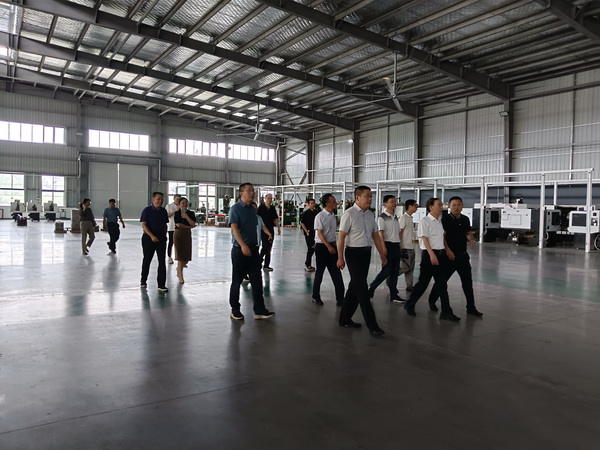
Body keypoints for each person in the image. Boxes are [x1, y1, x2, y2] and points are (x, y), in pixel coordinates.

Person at [337, 186, 387, 337]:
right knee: (362, 289)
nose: (370, 199)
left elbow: (375, 235)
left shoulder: (370, 214)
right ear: (357, 197)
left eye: (371, 196)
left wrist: (382, 255)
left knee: (354, 287)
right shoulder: (349, 214)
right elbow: (341, 237)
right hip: (353, 254)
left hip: (366, 253)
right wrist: (340, 257)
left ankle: (344, 319)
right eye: (367, 196)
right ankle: (373, 326)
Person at [403, 198, 460, 322]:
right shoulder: (425, 221)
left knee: (442, 284)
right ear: (431, 207)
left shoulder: (439, 221)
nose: (441, 207)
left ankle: (446, 312)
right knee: (423, 283)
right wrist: (431, 255)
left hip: (441, 254)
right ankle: (409, 304)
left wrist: (447, 250)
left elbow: (442, 238)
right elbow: (424, 239)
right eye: (439, 205)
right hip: (430, 255)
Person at [428, 196, 483, 317]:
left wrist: (470, 238)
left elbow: (467, 232)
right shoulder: (445, 220)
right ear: (449, 207)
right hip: (449, 257)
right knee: (442, 282)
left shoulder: (465, 219)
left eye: (459, 205)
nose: (456, 207)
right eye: (454, 205)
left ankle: (471, 307)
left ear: (462, 206)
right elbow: (442, 237)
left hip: (463, 256)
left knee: (467, 283)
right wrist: (448, 251)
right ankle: (432, 300)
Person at [228, 183, 275, 320]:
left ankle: (259, 310)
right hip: (240, 250)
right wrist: (243, 245)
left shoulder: (253, 210)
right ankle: (235, 309)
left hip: (254, 250)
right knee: (237, 281)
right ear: (241, 193)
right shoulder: (235, 209)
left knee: (257, 281)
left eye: (253, 190)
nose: (252, 193)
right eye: (249, 190)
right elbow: (234, 228)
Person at [368, 195, 405, 303]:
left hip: (396, 245)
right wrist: (383, 247)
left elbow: (397, 232)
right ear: (385, 203)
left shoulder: (396, 217)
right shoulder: (382, 217)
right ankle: (372, 287)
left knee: (395, 271)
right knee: (386, 271)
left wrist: (399, 245)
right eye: (391, 202)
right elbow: (381, 233)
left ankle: (393, 295)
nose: (394, 204)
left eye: (395, 202)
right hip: (388, 245)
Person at [312, 194, 345, 306]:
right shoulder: (320, 216)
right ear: (327, 204)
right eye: (333, 201)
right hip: (322, 247)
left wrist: (336, 248)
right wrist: (328, 246)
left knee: (336, 273)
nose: (335, 203)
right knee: (320, 273)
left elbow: (332, 234)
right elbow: (320, 234)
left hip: (332, 246)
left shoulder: (333, 216)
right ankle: (315, 296)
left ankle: (340, 298)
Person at [140, 192, 169, 293]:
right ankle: (143, 280)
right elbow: (144, 224)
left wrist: (164, 235)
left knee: (162, 261)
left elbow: (165, 224)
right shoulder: (147, 210)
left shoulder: (163, 211)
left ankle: (161, 284)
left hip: (161, 239)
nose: (160, 201)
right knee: (147, 259)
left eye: (162, 199)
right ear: (153, 199)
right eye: (158, 199)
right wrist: (152, 236)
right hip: (148, 238)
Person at [243, 202, 273, 283]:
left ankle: (252, 275)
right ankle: (244, 275)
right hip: (248, 243)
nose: (254, 209)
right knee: (247, 260)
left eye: (255, 208)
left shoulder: (259, 218)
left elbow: (263, 227)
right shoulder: (246, 218)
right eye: (253, 208)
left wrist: (269, 234)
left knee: (254, 261)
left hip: (257, 243)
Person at [173, 197, 196, 284]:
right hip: (178, 234)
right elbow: (178, 225)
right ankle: (180, 274)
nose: (184, 205)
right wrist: (190, 226)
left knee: (186, 256)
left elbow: (193, 223)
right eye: (182, 203)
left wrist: (187, 217)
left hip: (187, 234)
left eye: (186, 203)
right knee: (180, 255)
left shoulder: (191, 213)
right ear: (179, 205)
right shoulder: (177, 213)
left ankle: (179, 268)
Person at [399, 199, 418, 293]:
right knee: (405, 267)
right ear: (410, 206)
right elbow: (400, 232)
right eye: (415, 206)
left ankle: (409, 285)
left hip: (411, 246)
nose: (416, 207)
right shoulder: (403, 218)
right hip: (405, 247)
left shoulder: (410, 218)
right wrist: (400, 245)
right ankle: (391, 277)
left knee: (410, 267)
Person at [257, 193, 280, 271]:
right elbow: (257, 218)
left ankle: (266, 265)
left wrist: (278, 228)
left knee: (269, 248)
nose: (269, 200)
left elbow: (275, 219)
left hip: (270, 229)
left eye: (271, 198)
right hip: (263, 229)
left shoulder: (272, 208)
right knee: (265, 246)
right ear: (265, 199)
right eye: (268, 198)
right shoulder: (261, 207)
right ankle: (259, 261)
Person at [300, 199, 319, 271]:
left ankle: (310, 264)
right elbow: (302, 223)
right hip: (309, 233)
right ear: (308, 204)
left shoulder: (317, 213)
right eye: (311, 203)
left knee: (315, 248)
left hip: (316, 233)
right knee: (310, 248)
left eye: (314, 203)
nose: (313, 205)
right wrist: (306, 231)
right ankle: (307, 264)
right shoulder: (306, 213)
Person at [166, 194, 181, 264]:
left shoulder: (181, 206)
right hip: (171, 227)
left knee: (179, 243)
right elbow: (167, 215)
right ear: (174, 199)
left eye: (179, 199)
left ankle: (179, 257)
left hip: (180, 227)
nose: (178, 201)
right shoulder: (169, 206)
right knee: (171, 242)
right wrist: (176, 211)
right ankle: (169, 257)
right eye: (177, 199)